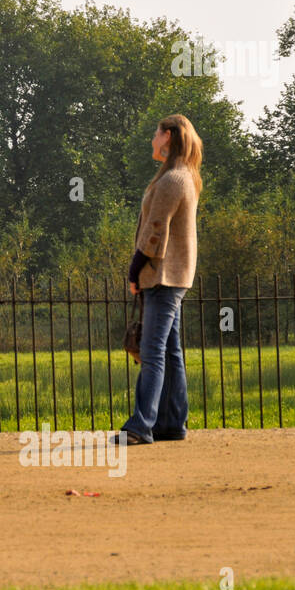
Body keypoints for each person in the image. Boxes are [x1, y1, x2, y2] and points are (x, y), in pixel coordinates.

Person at [117, 114, 202, 445]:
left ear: (167, 136)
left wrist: (135, 269)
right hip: (172, 275)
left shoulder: (171, 181)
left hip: (163, 276)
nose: (152, 139)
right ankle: (171, 422)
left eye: (156, 133)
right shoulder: (184, 177)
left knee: (152, 351)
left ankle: (141, 425)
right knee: (169, 351)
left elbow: (156, 230)